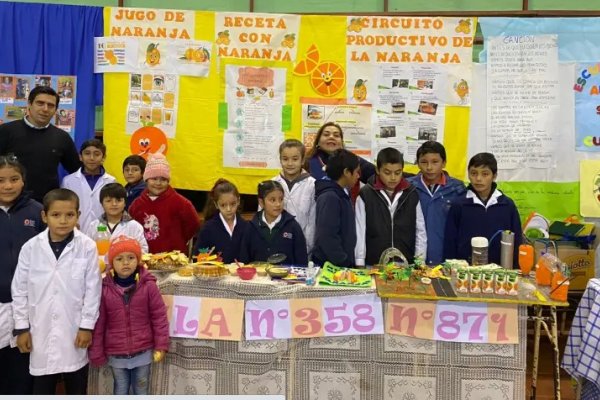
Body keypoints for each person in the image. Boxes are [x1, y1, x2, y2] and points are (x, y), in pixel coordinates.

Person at [11, 188, 102, 394]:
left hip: (74, 329)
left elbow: (93, 289)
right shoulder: (31, 247)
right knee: (42, 385)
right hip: (39, 328)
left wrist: (86, 326)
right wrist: (22, 327)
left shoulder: (87, 246)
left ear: (78, 216)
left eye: (69, 215)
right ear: (44, 216)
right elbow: (19, 289)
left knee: (76, 383)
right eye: (55, 215)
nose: (63, 221)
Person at [88, 235, 169, 395]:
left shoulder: (149, 286)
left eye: (131, 257)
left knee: (141, 388)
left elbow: (159, 317)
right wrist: (96, 351)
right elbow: (99, 323)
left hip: (143, 350)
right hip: (116, 353)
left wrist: (161, 344)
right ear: (111, 263)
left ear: (138, 260)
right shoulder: (104, 289)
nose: (125, 263)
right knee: (121, 389)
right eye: (119, 259)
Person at [0, 156, 45, 394]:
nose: (8, 186)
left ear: (23, 181)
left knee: (21, 373)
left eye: (14, 179)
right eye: (1, 180)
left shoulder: (38, 212)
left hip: (28, 308)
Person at [0, 86, 80, 202]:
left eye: (50, 105)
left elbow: (77, 172)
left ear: (55, 110)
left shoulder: (62, 137)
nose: (45, 109)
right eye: (40, 103)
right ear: (29, 104)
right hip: (9, 203)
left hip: (46, 205)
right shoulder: (5, 131)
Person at [444, 152, 522, 265]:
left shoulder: (506, 205)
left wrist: (515, 268)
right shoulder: (459, 204)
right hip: (465, 271)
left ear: (494, 176)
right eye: (474, 173)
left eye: (485, 174)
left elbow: (516, 239)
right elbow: (450, 241)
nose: (478, 179)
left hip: (499, 270)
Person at [355, 148, 426, 267]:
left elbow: (420, 230)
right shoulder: (366, 194)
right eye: (387, 173)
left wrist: (420, 260)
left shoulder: (411, 193)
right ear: (377, 170)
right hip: (374, 264)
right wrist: (359, 260)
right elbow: (360, 230)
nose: (393, 177)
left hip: (405, 263)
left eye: (398, 173)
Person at [408, 141, 466, 265]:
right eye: (424, 162)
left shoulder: (457, 189)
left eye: (435, 162)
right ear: (417, 164)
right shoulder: (408, 188)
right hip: (413, 258)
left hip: (446, 258)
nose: (429, 167)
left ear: (444, 163)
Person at [129, 153, 200, 254]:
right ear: (146, 180)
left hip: (174, 259)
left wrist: (178, 240)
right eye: (154, 179)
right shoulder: (136, 205)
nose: (158, 183)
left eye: (163, 179)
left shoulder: (181, 203)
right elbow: (132, 230)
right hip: (145, 258)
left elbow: (194, 224)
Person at [240, 180, 308, 266]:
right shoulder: (251, 227)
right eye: (272, 200)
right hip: (258, 278)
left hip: (287, 278)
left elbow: (302, 262)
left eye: (281, 199)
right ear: (261, 202)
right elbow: (243, 261)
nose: (278, 204)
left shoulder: (293, 226)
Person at [312, 149, 360, 268]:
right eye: (357, 172)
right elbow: (326, 236)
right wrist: (343, 261)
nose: (358, 176)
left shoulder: (342, 192)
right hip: (332, 266)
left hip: (339, 264)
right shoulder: (330, 197)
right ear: (346, 172)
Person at [304, 122, 375, 202]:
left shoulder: (353, 161)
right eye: (326, 134)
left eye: (336, 135)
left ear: (341, 142)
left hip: (345, 210)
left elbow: (377, 176)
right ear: (318, 141)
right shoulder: (306, 162)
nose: (331, 137)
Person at [62, 139, 116, 233]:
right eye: (87, 153)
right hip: (76, 230)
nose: (91, 158)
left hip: (102, 231)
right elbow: (63, 207)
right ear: (80, 157)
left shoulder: (111, 181)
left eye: (97, 154)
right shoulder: (68, 181)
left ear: (103, 158)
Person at [271, 139, 315, 254]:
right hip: (275, 244)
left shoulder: (312, 185)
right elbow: (263, 217)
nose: (290, 163)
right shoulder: (271, 184)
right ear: (280, 160)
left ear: (302, 160)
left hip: (303, 246)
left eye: (295, 159)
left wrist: (307, 247)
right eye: (285, 159)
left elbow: (312, 221)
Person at [192, 179, 248, 263]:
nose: (228, 209)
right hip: (215, 274)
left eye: (233, 204)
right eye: (223, 205)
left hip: (241, 275)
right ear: (216, 204)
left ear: (238, 201)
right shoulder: (208, 229)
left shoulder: (247, 227)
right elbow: (197, 258)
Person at [84, 183, 148, 254]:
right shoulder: (94, 226)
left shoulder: (135, 226)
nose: (114, 204)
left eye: (118, 200)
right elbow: (87, 251)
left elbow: (143, 251)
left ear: (125, 203)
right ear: (101, 203)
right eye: (108, 201)